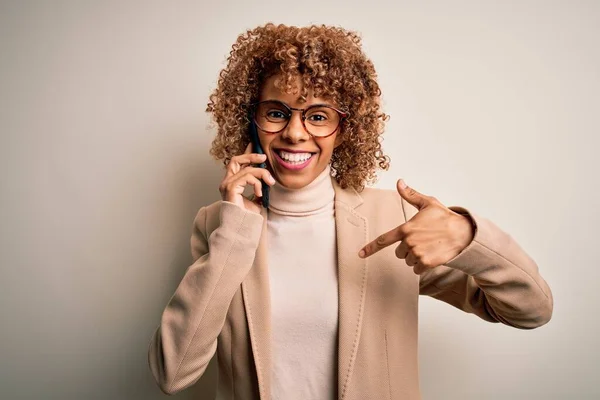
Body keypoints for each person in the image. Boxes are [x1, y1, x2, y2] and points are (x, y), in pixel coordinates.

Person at [148, 23, 553, 400]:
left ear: (346, 130)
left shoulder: (389, 220)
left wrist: (468, 237)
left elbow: (531, 310)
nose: (294, 132)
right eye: (276, 112)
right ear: (250, 120)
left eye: (318, 116)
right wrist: (235, 232)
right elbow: (174, 373)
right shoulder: (218, 226)